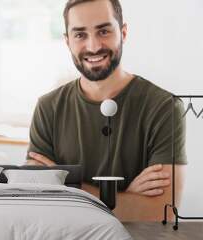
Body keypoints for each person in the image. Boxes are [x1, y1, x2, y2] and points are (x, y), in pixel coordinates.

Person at [26, 0, 187, 221]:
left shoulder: (164, 107)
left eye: (103, 31)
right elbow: (39, 204)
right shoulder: (48, 108)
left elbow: (163, 212)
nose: (93, 46)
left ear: (123, 32)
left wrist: (66, 186)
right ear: (67, 42)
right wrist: (125, 197)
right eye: (80, 35)